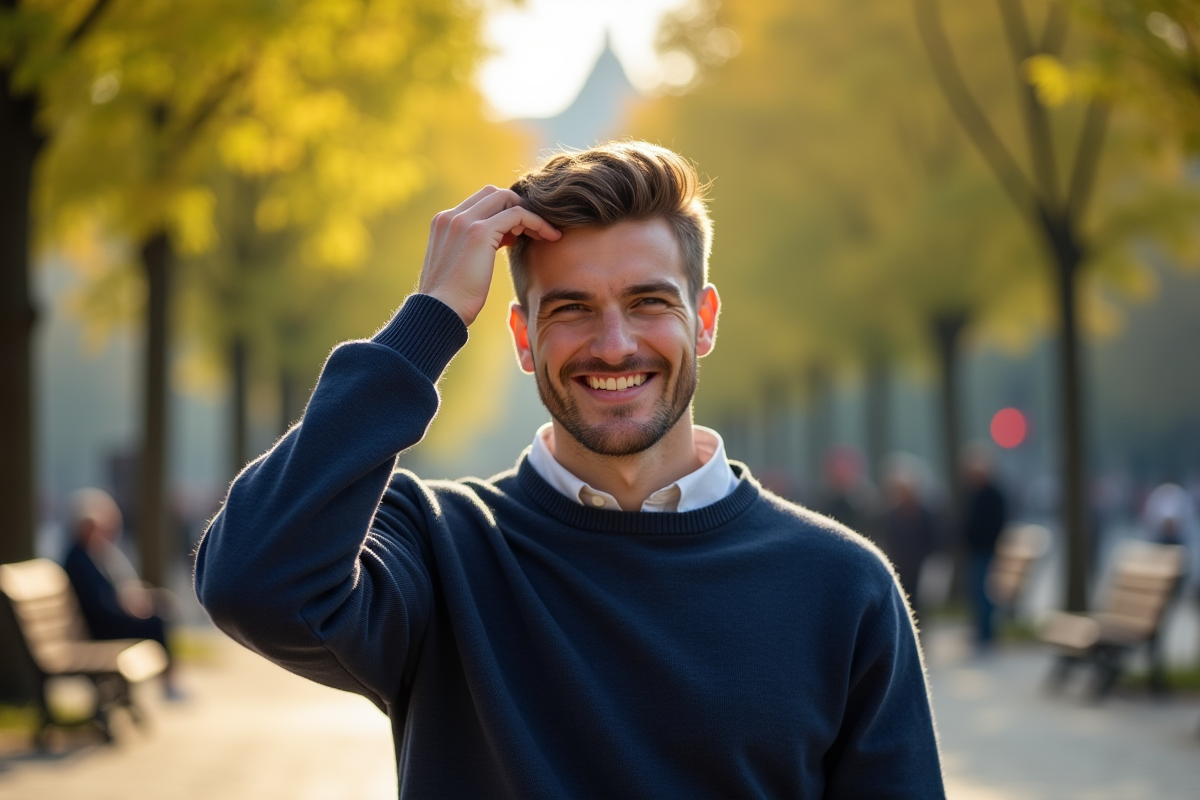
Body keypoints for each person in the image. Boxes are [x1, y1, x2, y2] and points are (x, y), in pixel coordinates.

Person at [195, 142, 944, 798]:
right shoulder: (435, 546)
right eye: (572, 310)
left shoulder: (843, 585)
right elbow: (251, 582)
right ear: (522, 337)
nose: (614, 345)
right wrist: (428, 321)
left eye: (649, 301)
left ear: (705, 319)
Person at [62, 488, 182, 698]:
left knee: (159, 608)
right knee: (155, 621)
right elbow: (98, 605)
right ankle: (168, 684)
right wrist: (126, 610)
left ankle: (168, 682)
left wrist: (130, 602)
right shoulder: (78, 559)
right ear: (86, 528)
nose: (103, 532)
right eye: (97, 527)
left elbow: (106, 593)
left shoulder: (87, 554)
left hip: (100, 623)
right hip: (98, 629)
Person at [877, 455, 939, 622]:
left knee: (918, 602)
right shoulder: (890, 515)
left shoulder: (925, 514)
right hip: (899, 564)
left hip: (919, 564)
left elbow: (933, 539)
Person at [960, 445, 1008, 650]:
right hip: (977, 550)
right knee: (977, 593)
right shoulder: (976, 493)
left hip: (985, 550)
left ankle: (987, 633)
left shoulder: (991, 495)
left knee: (984, 593)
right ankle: (981, 630)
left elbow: (992, 524)